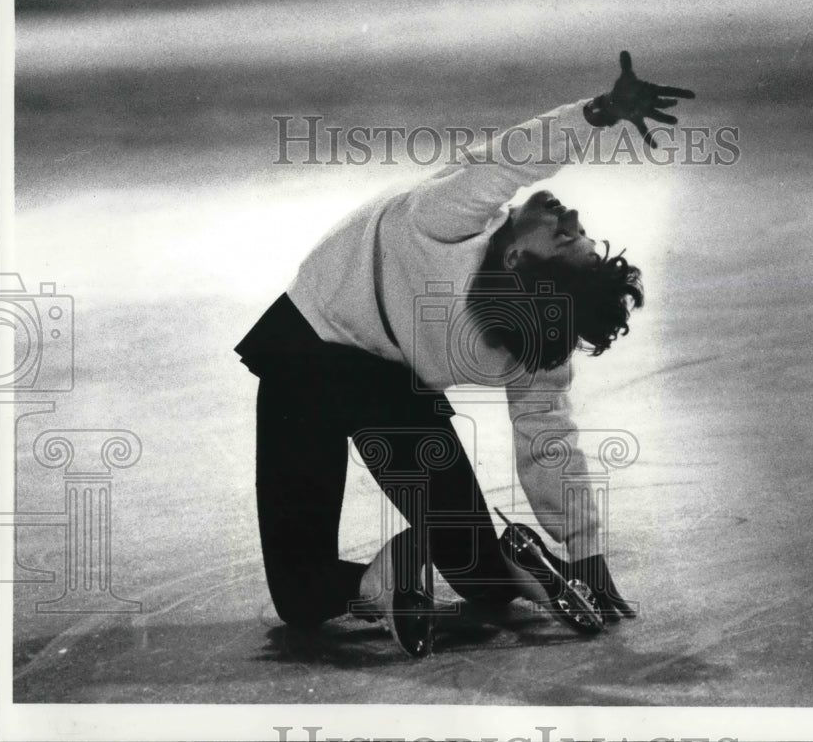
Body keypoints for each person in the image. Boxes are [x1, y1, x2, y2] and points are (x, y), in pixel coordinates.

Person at [235, 51, 694, 657]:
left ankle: (380, 580)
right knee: (480, 580)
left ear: (517, 260)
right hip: (391, 395)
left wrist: (599, 114)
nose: (572, 214)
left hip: (304, 357)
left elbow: (511, 159)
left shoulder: (447, 220)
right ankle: (522, 569)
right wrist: (583, 550)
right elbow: (546, 435)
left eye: (566, 236)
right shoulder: (537, 337)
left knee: (301, 594)